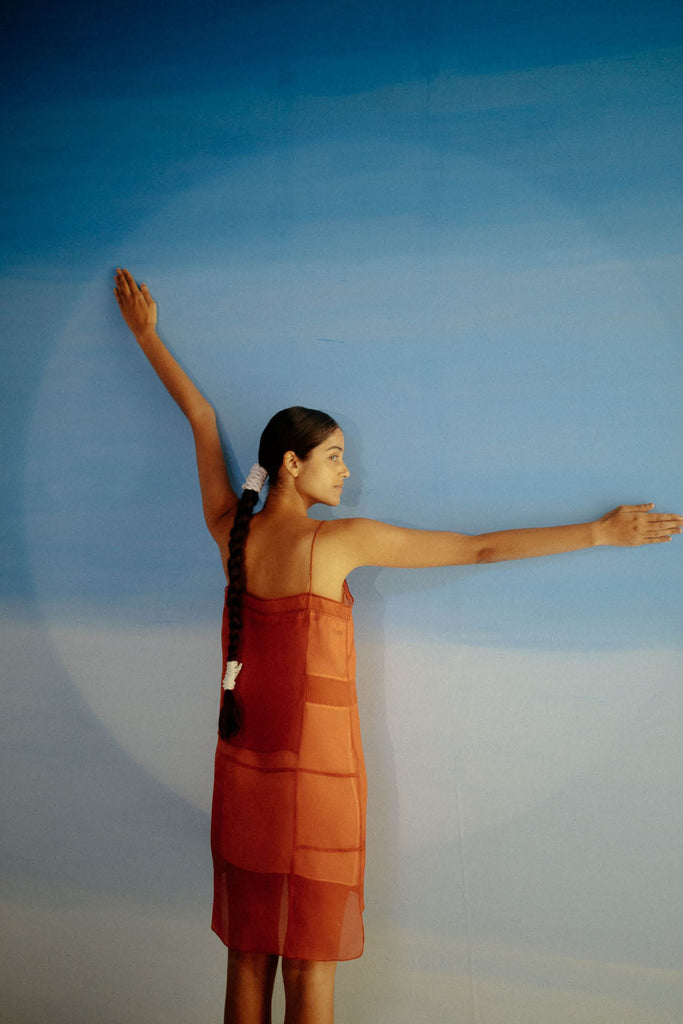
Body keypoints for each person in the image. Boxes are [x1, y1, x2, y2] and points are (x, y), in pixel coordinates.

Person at [113, 267, 681, 1024]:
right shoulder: (339, 542)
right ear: (293, 465)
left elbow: (200, 416)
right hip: (317, 781)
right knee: (309, 964)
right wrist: (598, 533)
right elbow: (476, 550)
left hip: (243, 770)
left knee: (247, 955)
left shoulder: (231, 534)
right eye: (335, 455)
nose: (347, 469)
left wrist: (146, 336)